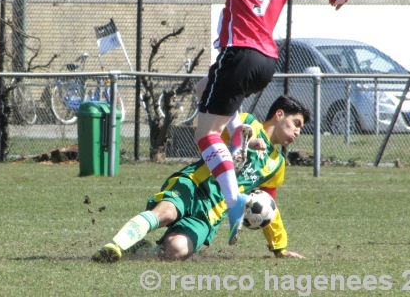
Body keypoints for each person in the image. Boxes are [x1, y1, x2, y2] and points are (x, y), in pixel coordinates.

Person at [159, 0, 348, 245]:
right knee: (205, 87)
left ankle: (233, 199)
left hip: (238, 55)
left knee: (205, 135)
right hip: (267, 61)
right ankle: (238, 137)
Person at [91, 95, 310, 262]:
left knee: (176, 250)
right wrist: (243, 143)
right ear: (279, 115)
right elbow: (212, 138)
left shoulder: (277, 165)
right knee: (166, 212)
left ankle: (138, 249)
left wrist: (280, 248)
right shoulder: (247, 124)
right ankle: (115, 247)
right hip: (195, 184)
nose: (298, 132)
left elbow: (269, 206)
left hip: (211, 212)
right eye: (297, 123)